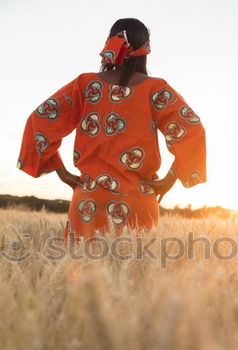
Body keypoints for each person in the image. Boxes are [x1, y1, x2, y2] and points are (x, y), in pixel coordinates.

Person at [16, 18, 206, 239]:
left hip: (88, 201)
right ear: (146, 49)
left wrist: (62, 172)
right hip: (138, 200)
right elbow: (192, 129)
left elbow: (39, 120)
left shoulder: (85, 85)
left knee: (81, 269)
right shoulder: (157, 89)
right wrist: (169, 180)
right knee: (136, 271)